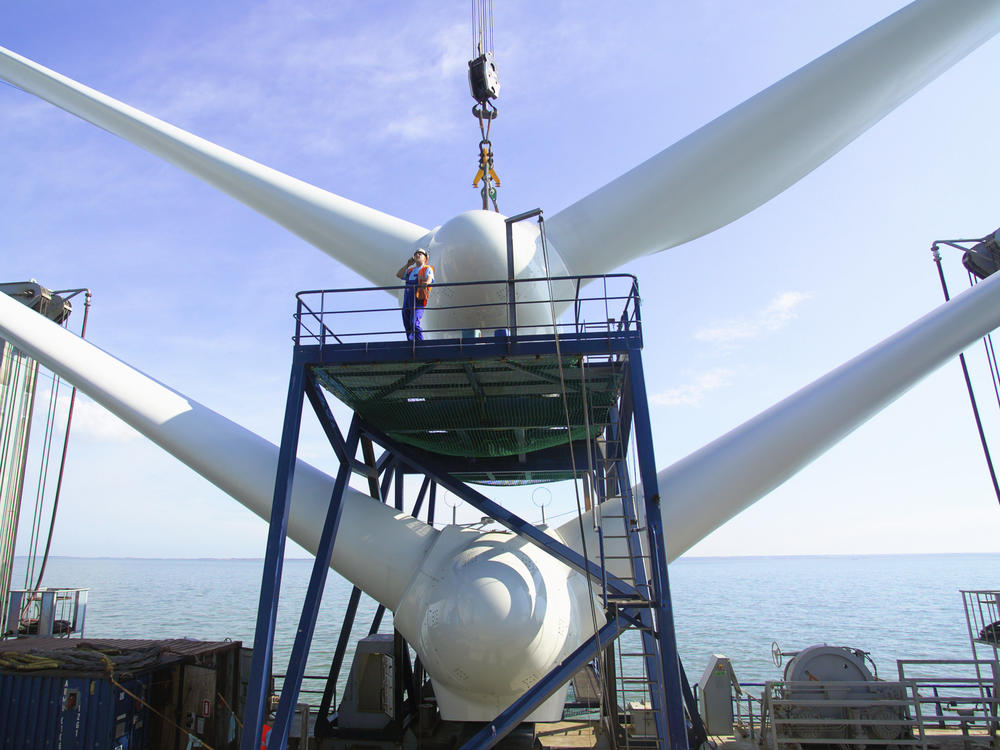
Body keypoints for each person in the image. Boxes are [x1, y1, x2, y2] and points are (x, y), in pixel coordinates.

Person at [396, 249, 434, 341]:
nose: (418, 255)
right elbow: (399, 274)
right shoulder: (410, 270)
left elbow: (429, 278)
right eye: (416, 254)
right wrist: (408, 264)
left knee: (414, 323)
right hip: (408, 297)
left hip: (418, 298)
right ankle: (411, 343)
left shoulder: (427, 268)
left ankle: (420, 342)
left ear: (426, 258)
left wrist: (426, 283)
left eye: (420, 254)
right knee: (407, 322)